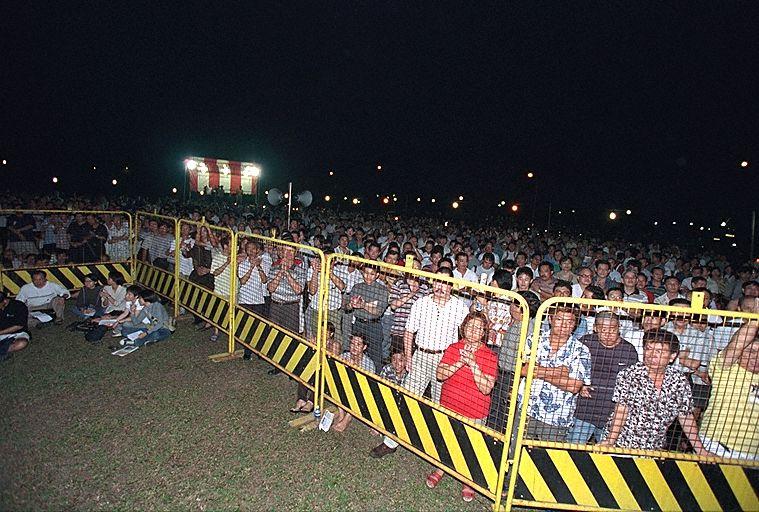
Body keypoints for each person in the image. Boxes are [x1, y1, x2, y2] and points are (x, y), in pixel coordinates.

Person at [370, 267, 468, 458]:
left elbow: (467, 334)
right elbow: (408, 332)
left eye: (446, 282)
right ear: (432, 282)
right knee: (406, 398)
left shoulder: (459, 306)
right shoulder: (421, 303)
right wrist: (408, 357)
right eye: (438, 281)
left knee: (441, 405)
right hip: (421, 356)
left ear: (452, 286)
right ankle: (390, 442)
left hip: (445, 360)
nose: (441, 286)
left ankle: (438, 449)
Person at [425, 312, 497, 502]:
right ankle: (441, 468)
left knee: (469, 446)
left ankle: (468, 480)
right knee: (446, 439)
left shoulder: (489, 356)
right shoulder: (454, 348)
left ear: (484, 332)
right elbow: (440, 375)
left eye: (478, 328)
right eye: (470, 326)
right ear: (463, 328)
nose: (473, 331)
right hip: (449, 404)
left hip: (474, 411)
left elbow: (486, 388)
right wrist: (460, 361)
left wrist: (472, 363)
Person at [600, 330, 709, 454]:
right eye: (648, 349)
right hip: (622, 444)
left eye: (659, 351)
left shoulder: (679, 380)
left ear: (672, 356)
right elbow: (621, 410)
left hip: (654, 448)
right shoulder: (629, 374)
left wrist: (701, 450)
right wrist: (610, 441)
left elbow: (686, 416)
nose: (652, 355)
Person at [519, 305, 591, 441]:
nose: (564, 325)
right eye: (559, 319)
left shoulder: (581, 350)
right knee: (516, 450)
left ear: (575, 325)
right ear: (551, 320)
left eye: (570, 321)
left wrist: (538, 372)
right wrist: (558, 372)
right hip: (526, 409)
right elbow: (523, 370)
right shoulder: (534, 340)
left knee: (546, 458)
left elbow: (573, 386)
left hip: (557, 418)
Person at [567, 311, 639, 444]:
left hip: (612, 413)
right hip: (585, 410)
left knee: (607, 455)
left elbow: (632, 383)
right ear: (595, 328)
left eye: (613, 329)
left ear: (619, 328)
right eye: (603, 329)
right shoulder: (585, 343)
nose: (608, 334)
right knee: (573, 449)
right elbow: (571, 369)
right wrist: (580, 385)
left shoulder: (629, 351)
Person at [698, 318, 759, 460]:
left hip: (754, 454)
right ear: (739, 355)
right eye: (750, 351)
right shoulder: (725, 369)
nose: (755, 357)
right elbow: (736, 346)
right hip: (717, 446)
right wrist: (755, 320)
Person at [345, 264, 388, 371]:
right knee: (355, 355)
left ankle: (374, 383)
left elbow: (378, 312)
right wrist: (351, 304)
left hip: (374, 326)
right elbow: (346, 308)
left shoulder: (382, 290)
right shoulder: (357, 287)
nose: (368, 276)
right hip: (358, 325)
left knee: (376, 357)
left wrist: (363, 305)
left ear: (377, 275)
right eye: (366, 273)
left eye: (372, 274)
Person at [333, 333, 376, 432]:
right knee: (336, 381)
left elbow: (365, 386)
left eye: (358, 345)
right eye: (352, 344)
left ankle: (348, 417)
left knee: (359, 390)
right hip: (345, 387)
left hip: (360, 392)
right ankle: (341, 412)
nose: (354, 347)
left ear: (364, 347)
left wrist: (353, 370)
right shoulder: (344, 356)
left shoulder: (369, 364)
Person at [0, 291, 30, 361]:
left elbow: (19, 326)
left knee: (22, 343)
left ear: (4, 301)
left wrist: (1, 332)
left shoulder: (18, 306)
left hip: (18, 333)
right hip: (1, 334)